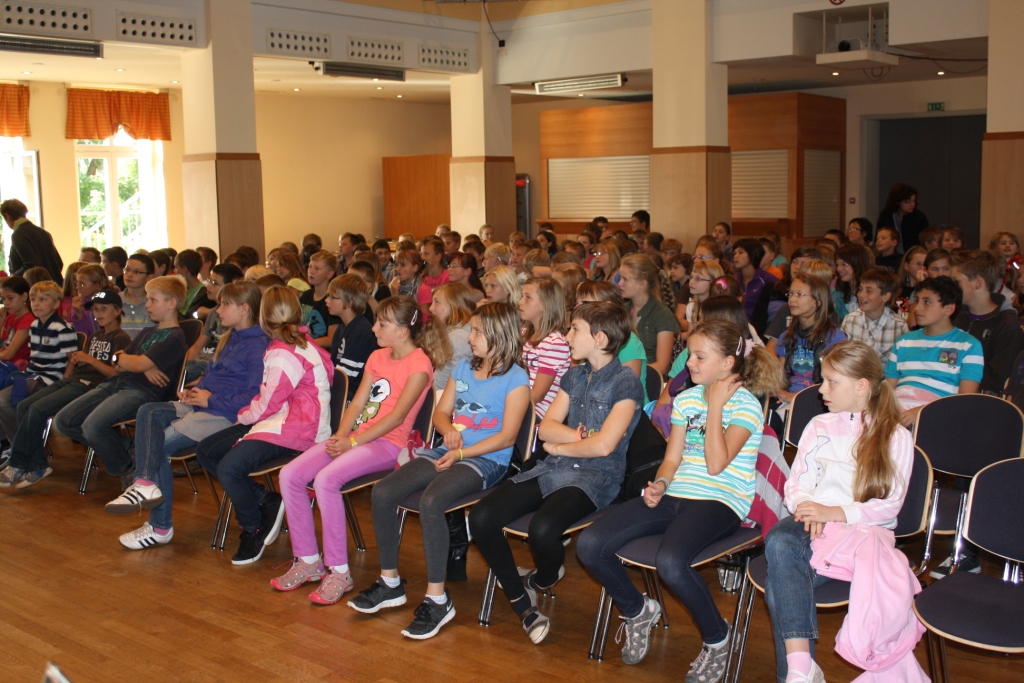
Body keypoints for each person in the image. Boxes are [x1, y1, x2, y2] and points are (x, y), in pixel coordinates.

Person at [578, 318, 782, 675]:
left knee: (671, 561)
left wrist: (715, 406)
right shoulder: (686, 400)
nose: (689, 363)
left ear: (727, 363)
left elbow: (716, 464)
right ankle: (638, 610)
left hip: (721, 501)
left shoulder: (746, 406)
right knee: (591, 543)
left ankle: (719, 638)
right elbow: (672, 459)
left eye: (700, 357)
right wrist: (660, 483)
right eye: (690, 354)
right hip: (676, 495)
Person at [469, 301, 645, 644]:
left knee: (544, 528)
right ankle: (523, 604)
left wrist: (561, 446)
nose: (567, 336)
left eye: (575, 329)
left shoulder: (627, 382)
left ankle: (541, 580)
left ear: (600, 339)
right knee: (482, 516)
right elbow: (546, 427)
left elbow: (604, 447)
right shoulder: (574, 375)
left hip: (597, 478)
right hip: (554, 468)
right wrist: (577, 439)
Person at [352, 302, 531, 638]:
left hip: (488, 460)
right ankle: (390, 582)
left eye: (477, 332)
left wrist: (461, 451)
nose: (470, 337)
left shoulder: (517, 378)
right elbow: (440, 413)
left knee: (432, 501)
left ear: (499, 335)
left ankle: (437, 600)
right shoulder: (463, 367)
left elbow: (507, 437)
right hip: (449, 449)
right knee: (384, 491)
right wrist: (448, 430)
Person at [764, 340, 915, 683]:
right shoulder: (819, 425)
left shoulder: (895, 436)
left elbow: (889, 505)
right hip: (811, 522)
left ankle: (797, 671)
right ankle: (801, 670)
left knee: (778, 587)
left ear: (861, 387)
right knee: (779, 537)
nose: (821, 389)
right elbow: (797, 482)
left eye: (832, 382)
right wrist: (807, 508)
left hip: (859, 533)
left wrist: (832, 512)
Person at [274, 296, 433, 599]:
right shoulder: (378, 356)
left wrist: (353, 442)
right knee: (290, 475)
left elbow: (398, 417)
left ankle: (339, 572)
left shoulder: (419, 364)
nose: (374, 328)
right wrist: (340, 436)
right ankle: (308, 561)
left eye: (382, 324)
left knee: (326, 480)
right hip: (357, 438)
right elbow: (358, 402)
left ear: (402, 332)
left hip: (388, 444)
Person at [105, 282, 269, 550]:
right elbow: (214, 375)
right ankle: (144, 483)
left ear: (244, 309)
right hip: (203, 403)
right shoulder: (231, 337)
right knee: (148, 411)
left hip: (224, 414)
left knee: (158, 444)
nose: (218, 310)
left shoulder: (258, 345)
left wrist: (209, 398)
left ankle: (160, 526)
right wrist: (196, 389)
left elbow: (255, 397)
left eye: (224, 305)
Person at [196, 286, 333, 565]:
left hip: (298, 430)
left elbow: (269, 402)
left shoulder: (286, 352)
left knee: (229, 468)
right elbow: (271, 400)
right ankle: (265, 500)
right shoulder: (290, 343)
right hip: (280, 420)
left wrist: (243, 417)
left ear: (263, 316)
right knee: (207, 450)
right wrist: (248, 416)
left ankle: (253, 527)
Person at [53, 277, 187, 488]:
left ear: (171, 303)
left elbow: (133, 362)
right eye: (147, 300)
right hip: (115, 383)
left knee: (93, 426)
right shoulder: (147, 332)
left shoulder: (175, 337)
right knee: (64, 421)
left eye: (152, 300)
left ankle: (126, 468)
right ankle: (131, 446)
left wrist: (136, 362)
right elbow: (117, 362)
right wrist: (137, 363)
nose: (147, 305)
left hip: (142, 391)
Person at [0, 289, 129, 486]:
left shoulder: (121, 338)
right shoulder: (95, 335)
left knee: (37, 409)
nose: (98, 314)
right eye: (95, 310)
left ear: (117, 311)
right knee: (24, 406)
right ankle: (37, 464)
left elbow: (116, 374)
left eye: (104, 309)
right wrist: (78, 363)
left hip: (91, 386)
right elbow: (80, 364)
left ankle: (18, 463)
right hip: (73, 380)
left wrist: (89, 360)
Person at [884, 276, 982, 426]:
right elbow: (888, 389)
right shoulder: (903, 342)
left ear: (948, 309)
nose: (917, 308)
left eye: (927, 302)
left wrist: (922, 411)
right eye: (917, 300)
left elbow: (965, 400)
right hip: (897, 410)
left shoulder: (969, 345)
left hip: (939, 415)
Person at [0, 281, 76, 453]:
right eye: (33, 300)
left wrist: (65, 381)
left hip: (49, 378)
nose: (36, 304)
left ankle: (19, 447)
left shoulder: (61, 328)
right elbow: (35, 357)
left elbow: (73, 358)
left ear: (56, 304)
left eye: (43, 299)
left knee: (3, 401)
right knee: (6, 396)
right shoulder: (35, 326)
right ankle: (12, 444)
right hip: (32, 375)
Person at [951, 250, 1024, 395]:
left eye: (956, 282)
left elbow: (996, 382)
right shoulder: (954, 316)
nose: (950, 288)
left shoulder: (1007, 326)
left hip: (978, 400)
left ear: (978, 283)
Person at [776, 275, 846, 403]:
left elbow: (836, 383)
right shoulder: (786, 337)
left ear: (817, 302)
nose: (792, 299)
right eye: (790, 294)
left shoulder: (835, 338)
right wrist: (777, 391)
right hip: (787, 396)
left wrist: (795, 397)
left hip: (819, 399)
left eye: (799, 294)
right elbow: (779, 377)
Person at [519, 278, 571, 421]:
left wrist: (504, 399)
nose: (520, 302)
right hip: (519, 403)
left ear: (545, 304)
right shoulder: (523, 333)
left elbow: (537, 395)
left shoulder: (555, 343)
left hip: (536, 413)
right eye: (522, 296)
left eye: (528, 297)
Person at [619, 254, 679, 375]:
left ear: (642, 283)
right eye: (620, 278)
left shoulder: (662, 314)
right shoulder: (621, 310)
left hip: (648, 378)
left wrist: (625, 373)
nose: (620, 283)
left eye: (625, 279)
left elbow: (662, 366)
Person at [184, 263, 244, 382]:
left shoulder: (234, 317)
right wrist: (182, 365)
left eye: (215, 283)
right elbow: (197, 347)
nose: (209, 286)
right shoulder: (213, 312)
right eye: (209, 281)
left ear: (229, 288)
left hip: (211, 366)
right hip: (199, 361)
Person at [326, 274, 378, 401]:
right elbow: (333, 366)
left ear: (349, 303)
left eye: (333, 297)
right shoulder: (342, 327)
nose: (326, 300)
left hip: (353, 397)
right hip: (341, 392)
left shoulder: (360, 332)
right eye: (328, 295)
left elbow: (345, 378)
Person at [840, 267, 908, 362]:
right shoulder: (850, 320)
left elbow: (903, 362)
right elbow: (842, 355)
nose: (861, 295)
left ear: (885, 296)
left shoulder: (899, 326)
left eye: (869, 291)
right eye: (860, 289)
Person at [423, 283, 475, 393]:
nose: (431, 308)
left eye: (437, 302)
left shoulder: (457, 338)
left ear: (454, 305)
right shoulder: (454, 331)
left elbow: (439, 386)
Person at [0, 198, 63, 285]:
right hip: (55, 286)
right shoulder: (43, 232)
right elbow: (59, 263)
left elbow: (31, 265)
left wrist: (12, 277)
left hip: (37, 288)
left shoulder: (18, 234)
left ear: (7, 216)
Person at [300, 250, 341, 350]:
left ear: (330, 274)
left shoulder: (334, 301)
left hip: (321, 351)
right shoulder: (305, 296)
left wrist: (304, 342)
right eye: (310, 266)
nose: (311, 271)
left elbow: (331, 339)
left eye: (317, 268)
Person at [733, 238, 779, 321]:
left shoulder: (769, 281)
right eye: (734, 253)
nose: (736, 256)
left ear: (753, 254)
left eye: (741, 252)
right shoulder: (733, 280)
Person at [877, 183, 928, 250]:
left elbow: (924, 240)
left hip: (912, 253)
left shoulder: (919, 217)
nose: (912, 205)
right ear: (898, 202)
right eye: (907, 202)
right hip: (889, 253)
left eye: (913, 201)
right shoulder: (886, 215)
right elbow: (878, 235)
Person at [833, 243, 875, 323]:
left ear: (858, 263)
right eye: (837, 265)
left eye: (844, 264)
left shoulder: (874, 294)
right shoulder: (836, 295)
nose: (839, 269)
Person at [0, 276, 35, 371]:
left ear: (24, 296)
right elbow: (1, 343)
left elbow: (8, 355)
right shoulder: (10, 317)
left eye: (10, 298)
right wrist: (1, 322)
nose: (6, 303)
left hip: (14, 367)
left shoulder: (28, 321)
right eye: (3, 299)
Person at [390, 249, 431, 321]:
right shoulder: (397, 286)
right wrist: (394, 294)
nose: (397, 268)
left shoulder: (422, 290)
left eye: (403, 265)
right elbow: (392, 315)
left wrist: (395, 297)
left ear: (415, 268)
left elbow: (424, 320)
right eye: (397, 265)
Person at [70, 264, 107, 336]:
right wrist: (79, 315)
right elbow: (82, 335)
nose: (77, 287)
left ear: (97, 286)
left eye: (82, 284)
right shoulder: (79, 305)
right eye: (77, 283)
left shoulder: (108, 303)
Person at [174, 249, 211, 317]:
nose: (175, 271)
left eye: (176, 267)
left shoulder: (204, 293)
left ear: (185, 269)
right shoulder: (178, 289)